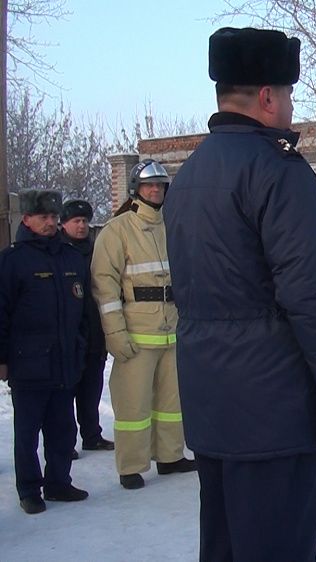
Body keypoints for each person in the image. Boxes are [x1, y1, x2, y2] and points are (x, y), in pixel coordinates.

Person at [164, 27, 316, 561]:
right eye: (289, 95)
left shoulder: (189, 175)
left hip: (212, 400)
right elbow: (311, 299)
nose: (292, 107)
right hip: (275, 406)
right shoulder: (279, 172)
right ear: (269, 97)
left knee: (225, 546)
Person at [92, 159, 196, 490]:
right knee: (133, 405)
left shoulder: (174, 225)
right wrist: (115, 333)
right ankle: (132, 465)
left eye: (161, 185)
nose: (156, 190)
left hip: (173, 330)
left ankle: (170, 456)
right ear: (136, 189)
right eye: (150, 185)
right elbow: (104, 287)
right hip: (137, 335)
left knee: (172, 403)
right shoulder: (117, 230)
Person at [0, 190, 90, 514]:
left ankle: (58, 482)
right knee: (27, 432)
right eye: (43, 218)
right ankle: (29, 489)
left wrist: (82, 346)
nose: (50, 223)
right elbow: (2, 313)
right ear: (26, 220)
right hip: (29, 362)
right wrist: (3, 359)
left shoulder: (71, 258)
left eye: (53, 217)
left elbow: (84, 310)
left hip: (65, 360)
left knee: (63, 428)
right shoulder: (12, 261)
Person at [60, 199, 115, 453]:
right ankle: (66, 443)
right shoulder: (58, 253)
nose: (81, 226)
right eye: (76, 221)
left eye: (84, 221)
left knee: (91, 389)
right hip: (70, 336)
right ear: (64, 224)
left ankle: (92, 434)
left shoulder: (96, 251)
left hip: (94, 333)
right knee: (66, 394)